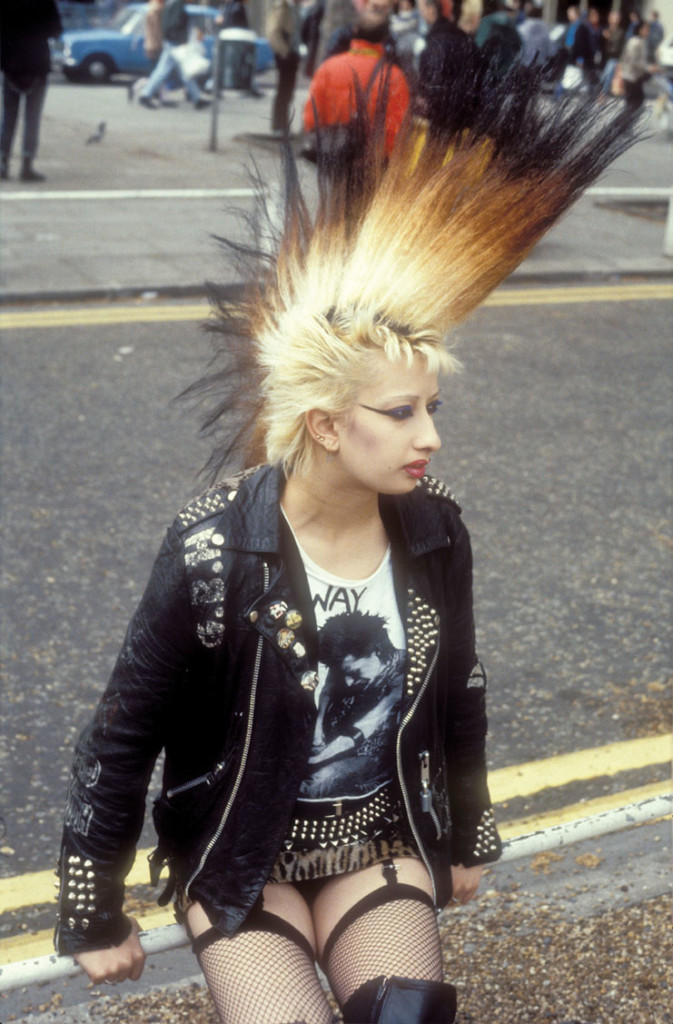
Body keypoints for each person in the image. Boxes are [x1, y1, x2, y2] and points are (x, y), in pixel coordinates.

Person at [54, 51, 642, 1024]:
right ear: (325, 423)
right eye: (402, 411)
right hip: (242, 853)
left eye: (432, 407)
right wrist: (91, 909)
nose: (431, 435)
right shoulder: (211, 550)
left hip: (376, 839)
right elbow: (122, 737)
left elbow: (459, 689)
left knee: (405, 1015)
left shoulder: (433, 529)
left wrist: (466, 837)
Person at [303, 0, 410, 155]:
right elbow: (396, 129)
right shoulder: (395, 76)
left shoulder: (328, 67)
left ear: (355, 30)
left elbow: (311, 117)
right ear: (385, 37)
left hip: (333, 157)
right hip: (372, 161)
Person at [0, 0, 62, 182]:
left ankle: (2, 164)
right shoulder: (46, 3)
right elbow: (56, 30)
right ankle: (26, 166)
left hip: (11, 64)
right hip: (37, 64)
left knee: (8, 118)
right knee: (32, 119)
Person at [138, 0, 209, 109]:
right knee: (166, 71)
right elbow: (174, 24)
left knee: (182, 70)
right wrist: (181, 40)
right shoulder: (177, 4)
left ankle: (197, 98)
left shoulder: (171, 3)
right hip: (175, 42)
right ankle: (145, 94)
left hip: (171, 41)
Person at [267, 0, 303, 133]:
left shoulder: (292, 8)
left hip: (291, 54)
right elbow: (273, 32)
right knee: (284, 90)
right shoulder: (282, 9)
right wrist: (285, 52)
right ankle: (278, 124)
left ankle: (283, 123)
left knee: (287, 91)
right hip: (285, 55)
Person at [474, 0, 522, 76]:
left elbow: (477, 48)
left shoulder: (485, 23)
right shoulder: (514, 29)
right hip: (504, 76)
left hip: (484, 75)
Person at [517, 0, 552, 66]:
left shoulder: (522, 28)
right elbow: (550, 51)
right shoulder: (545, 28)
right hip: (540, 66)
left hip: (525, 66)